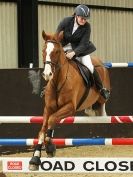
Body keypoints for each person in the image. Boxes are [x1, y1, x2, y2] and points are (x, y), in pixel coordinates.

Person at [56, 4, 110, 100]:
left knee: (90, 67)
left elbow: (84, 44)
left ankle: (101, 89)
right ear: (76, 15)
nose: (84, 21)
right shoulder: (66, 21)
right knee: (53, 62)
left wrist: (73, 53)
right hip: (64, 47)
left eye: (86, 19)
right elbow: (56, 35)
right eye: (82, 18)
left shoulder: (87, 27)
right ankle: (48, 87)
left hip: (80, 50)